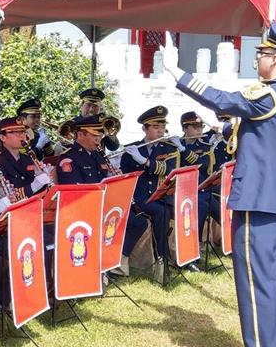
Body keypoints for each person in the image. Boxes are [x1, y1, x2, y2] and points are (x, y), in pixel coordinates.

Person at [162, 22, 276, 347]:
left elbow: (228, 101)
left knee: (254, 280)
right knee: (271, 281)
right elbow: (258, 130)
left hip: (258, 196)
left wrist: (181, 76)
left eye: (261, 54)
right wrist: (222, 129)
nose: (256, 60)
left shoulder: (272, 94)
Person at [57, 115, 147, 268]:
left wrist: (114, 177)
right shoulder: (69, 158)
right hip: (83, 207)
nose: (98, 139)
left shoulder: (97, 155)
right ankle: (102, 262)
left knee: (138, 222)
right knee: (120, 221)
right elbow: (74, 191)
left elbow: (104, 178)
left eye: (100, 135)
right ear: (80, 135)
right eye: (94, 135)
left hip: (102, 203)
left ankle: (116, 259)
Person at [119, 106, 179, 279]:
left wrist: (144, 161)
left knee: (177, 209)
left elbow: (169, 169)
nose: (161, 131)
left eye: (162, 127)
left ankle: (177, 255)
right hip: (140, 197)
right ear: (145, 129)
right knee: (162, 213)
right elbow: (125, 176)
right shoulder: (132, 148)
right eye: (156, 127)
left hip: (162, 195)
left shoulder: (169, 148)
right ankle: (161, 258)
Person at [178, 111, 222, 236]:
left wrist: (184, 151)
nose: (199, 130)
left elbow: (202, 166)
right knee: (202, 207)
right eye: (195, 127)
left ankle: (233, 244)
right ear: (184, 128)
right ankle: (196, 244)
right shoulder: (174, 145)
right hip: (183, 190)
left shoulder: (204, 146)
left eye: (201, 126)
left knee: (221, 214)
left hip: (202, 189)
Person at [0, 117, 53, 201]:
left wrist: (45, 178)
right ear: (2, 137)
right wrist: (34, 185)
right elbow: (8, 196)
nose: (22, 136)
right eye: (16, 132)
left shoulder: (28, 158)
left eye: (23, 132)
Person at [73, 88, 120, 152]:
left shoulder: (103, 123)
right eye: (88, 105)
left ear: (100, 108)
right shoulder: (72, 123)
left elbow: (113, 147)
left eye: (95, 106)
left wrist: (107, 131)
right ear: (82, 105)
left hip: (98, 161)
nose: (91, 110)